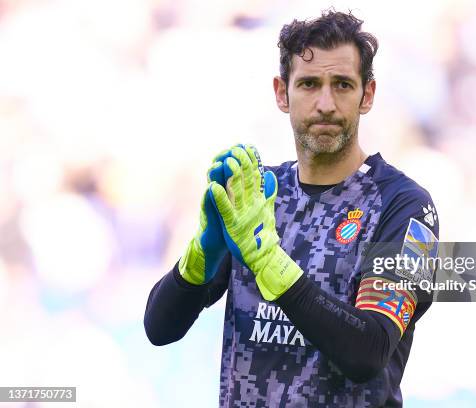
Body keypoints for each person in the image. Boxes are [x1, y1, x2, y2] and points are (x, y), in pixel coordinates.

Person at [144, 10, 439, 407]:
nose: (325, 104)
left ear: (366, 95)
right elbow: (160, 327)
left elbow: (368, 349)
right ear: (282, 93)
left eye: (342, 85)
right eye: (309, 84)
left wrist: (268, 261)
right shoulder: (259, 194)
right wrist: (204, 252)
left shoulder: (405, 207)